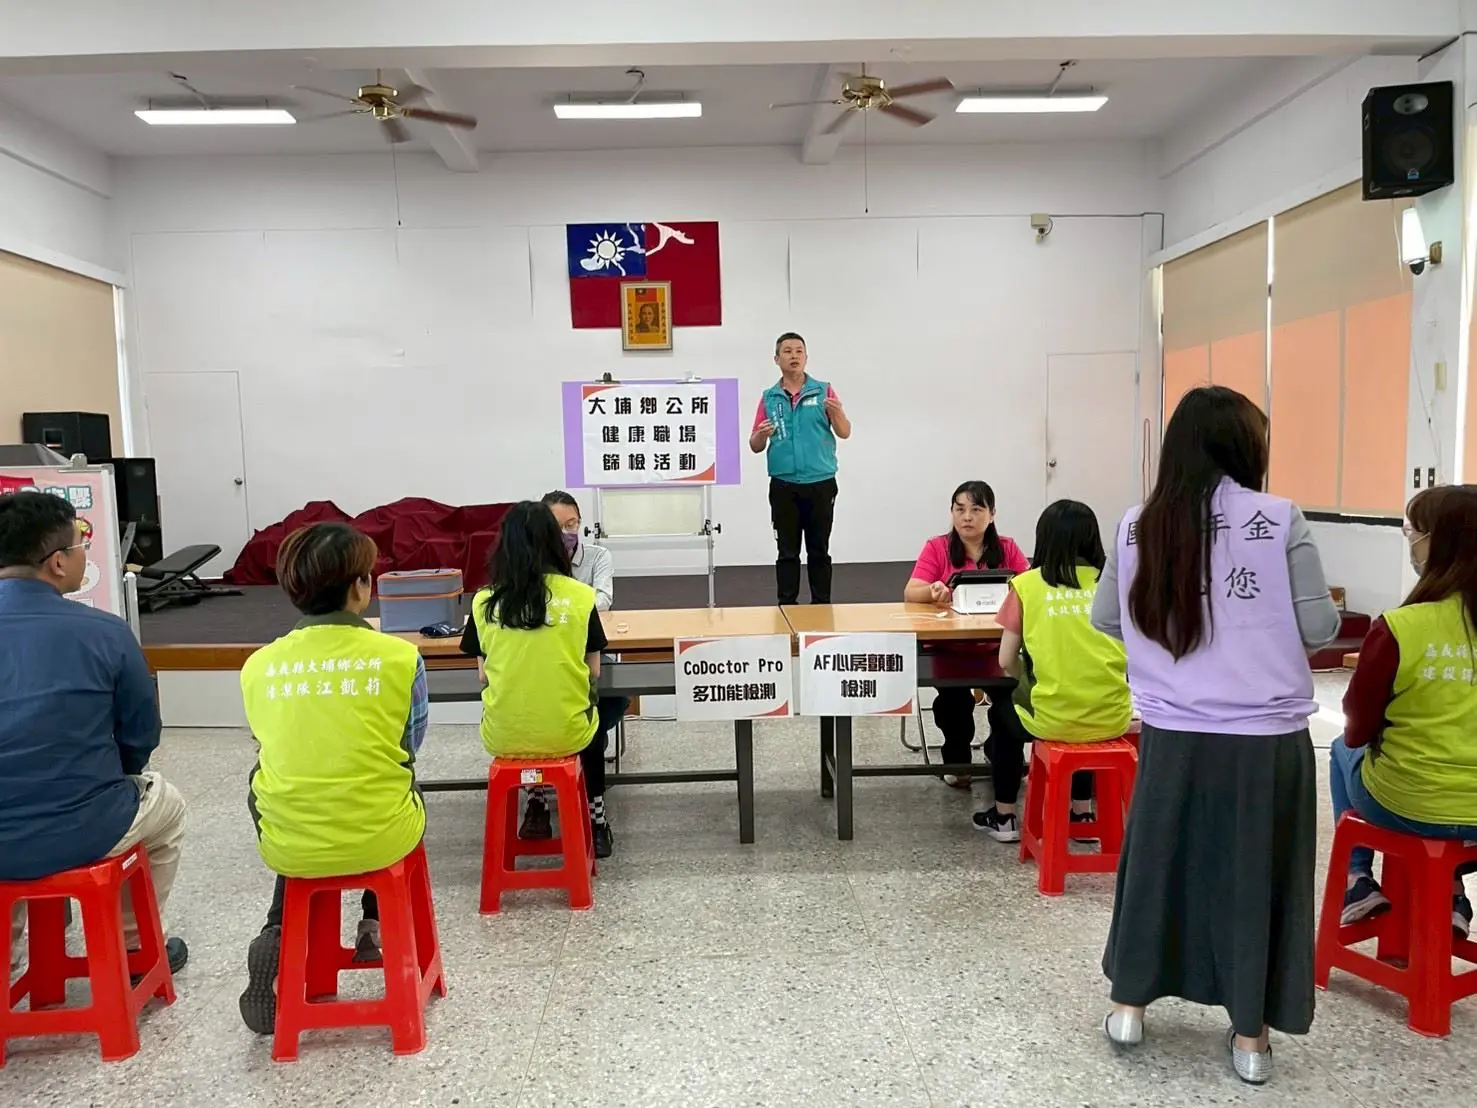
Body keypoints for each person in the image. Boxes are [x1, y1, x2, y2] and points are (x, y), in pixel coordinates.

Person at [1091, 386, 1341, 1085]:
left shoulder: (1137, 526)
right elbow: (1319, 629)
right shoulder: (1279, 518)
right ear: (1245, 447)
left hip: (1171, 732)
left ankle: (1128, 1006)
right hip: (1264, 740)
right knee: (1256, 874)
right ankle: (1251, 1036)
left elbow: (1106, 619)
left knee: (1157, 865)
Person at [237, 522, 428, 1035]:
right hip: (381, 832)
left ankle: (278, 929)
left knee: (284, 785)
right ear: (360, 587)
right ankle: (374, 923)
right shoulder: (400, 657)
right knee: (389, 780)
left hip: (291, 843)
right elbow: (410, 744)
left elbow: (270, 745)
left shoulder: (258, 666)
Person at [0, 491, 189, 979]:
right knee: (167, 806)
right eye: (80, 544)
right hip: (80, 826)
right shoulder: (105, 632)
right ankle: (133, 949)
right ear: (58, 562)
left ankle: (7, 957)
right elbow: (139, 735)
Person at [1331, 483, 1477, 936]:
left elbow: (1357, 728)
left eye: (1414, 531)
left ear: (1438, 543)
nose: (1410, 541)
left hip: (1407, 805)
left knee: (1340, 749)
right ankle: (1452, 891)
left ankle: (1357, 879)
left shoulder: (1400, 627)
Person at [460, 500, 613, 859]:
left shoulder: (484, 602)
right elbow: (594, 670)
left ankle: (537, 804)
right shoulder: (580, 597)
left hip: (502, 735)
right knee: (585, 719)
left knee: (527, 714)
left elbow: (483, 674)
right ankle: (596, 820)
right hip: (568, 732)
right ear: (553, 542)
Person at [903, 480, 1032, 837]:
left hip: (997, 651)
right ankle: (957, 760)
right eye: (959, 509)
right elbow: (911, 591)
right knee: (953, 701)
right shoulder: (938, 547)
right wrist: (932, 591)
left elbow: (1029, 588)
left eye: (976, 509)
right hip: (951, 650)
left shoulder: (1008, 548)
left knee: (1009, 702)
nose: (967, 517)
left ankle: (998, 753)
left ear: (992, 515)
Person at [995, 499, 1131, 826]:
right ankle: (1082, 812)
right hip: (1113, 717)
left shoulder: (1026, 585)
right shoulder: (1114, 582)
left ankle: (1004, 815)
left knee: (1001, 715)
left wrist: (1028, 677)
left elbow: (1005, 661)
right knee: (1084, 712)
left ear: (1043, 538)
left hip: (1051, 719)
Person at [750, 332, 851, 604]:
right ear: (776, 359)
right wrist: (761, 434)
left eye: (798, 351)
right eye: (787, 351)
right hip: (784, 485)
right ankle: (787, 608)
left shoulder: (823, 391)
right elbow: (755, 445)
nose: (793, 356)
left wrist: (837, 413)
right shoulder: (769, 397)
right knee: (787, 552)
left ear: (806, 357)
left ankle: (821, 605)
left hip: (820, 483)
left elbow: (844, 432)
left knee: (819, 550)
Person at [541, 489, 629, 788]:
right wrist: (577, 603)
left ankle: (588, 751)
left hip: (589, 650)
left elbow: (604, 599)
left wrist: (561, 602)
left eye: (573, 524)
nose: (568, 532)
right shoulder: (532, 562)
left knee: (615, 694)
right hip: (544, 655)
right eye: (559, 526)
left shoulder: (597, 556)